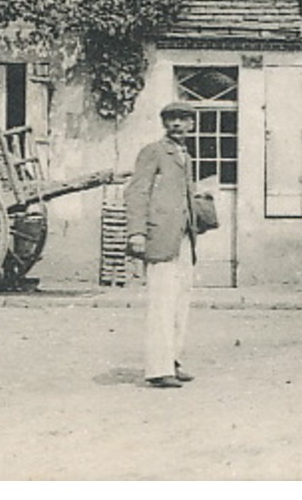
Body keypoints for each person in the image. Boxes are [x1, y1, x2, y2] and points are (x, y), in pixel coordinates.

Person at [125, 101, 201, 388]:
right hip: (159, 237)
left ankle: (173, 361)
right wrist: (137, 233)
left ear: (192, 124)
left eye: (183, 119)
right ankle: (158, 369)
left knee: (180, 302)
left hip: (183, 238)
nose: (177, 125)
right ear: (164, 124)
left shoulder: (185, 156)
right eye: (171, 119)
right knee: (162, 303)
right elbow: (137, 192)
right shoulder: (153, 152)